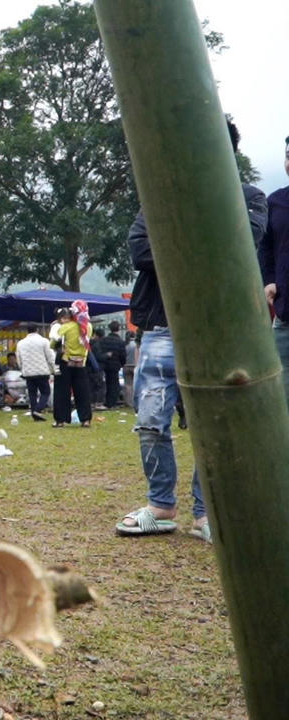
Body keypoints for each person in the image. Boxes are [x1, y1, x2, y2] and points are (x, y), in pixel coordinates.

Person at [118, 120, 266, 541]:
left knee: (212, 425)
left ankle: (206, 513)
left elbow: (241, 245)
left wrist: (177, 240)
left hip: (219, 330)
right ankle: (160, 505)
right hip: (161, 326)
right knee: (151, 420)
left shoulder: (249, 197)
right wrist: (203, 245)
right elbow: (139, 250)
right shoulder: (157, 198)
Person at [258, 134, 289, 410]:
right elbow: (265, 247)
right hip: (285, 317)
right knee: (280, 395)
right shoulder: (275, 202)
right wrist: (269, 280)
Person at [50, 308, 92, 428]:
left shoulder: (66, 327)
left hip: (66, 361)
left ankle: (60, 420)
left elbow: (52, 344)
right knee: (82, 391)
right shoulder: (88, 326)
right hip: (81, 362)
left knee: (61, 391)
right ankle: (85, 419)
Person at [16, 324, 57, 421]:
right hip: (42, 371)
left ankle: (34, 413)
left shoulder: (21, 343)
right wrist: (54, 369)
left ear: (27, 331)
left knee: (32, 394)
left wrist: (22, 369)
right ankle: (38, 410)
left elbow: (19, 358)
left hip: (28, 373)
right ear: (37, 330)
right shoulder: (44, 341)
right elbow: (50, 357)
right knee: (45, 392)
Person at [98, 321, 127, 409]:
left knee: (106, 383)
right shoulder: (120, 341)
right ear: (118, 329)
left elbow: (100, 352)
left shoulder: (104, 340)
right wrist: (122, 364)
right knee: (114, 384)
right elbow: (123, 355)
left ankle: (106, 401)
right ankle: (112, 402)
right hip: (115, 365)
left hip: (106, 364)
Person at [88, 328, 108, 409]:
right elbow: (99, 356)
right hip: (98, 368)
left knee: (91, 386)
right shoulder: (98, 345)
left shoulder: (89, 344)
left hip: (89, 368)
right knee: (100, 386)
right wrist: (107, 355)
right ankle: (99, 403)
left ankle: (91, 403)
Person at [123, 331, 138, 410]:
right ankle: (136, 401)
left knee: (128, 385)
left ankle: (129, 402)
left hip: (126, 365)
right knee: (136, 384)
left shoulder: (125, 344)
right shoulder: (136, 344)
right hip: (135, 365)